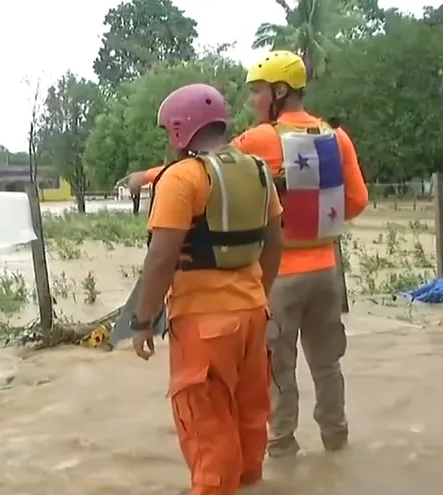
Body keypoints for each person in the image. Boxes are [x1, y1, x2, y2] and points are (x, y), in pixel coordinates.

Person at [131, 83, 283, 495]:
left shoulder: (182, 178)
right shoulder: (257, 170)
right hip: (254, 315)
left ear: (181, 129)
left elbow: (161, 259)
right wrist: (257, 297)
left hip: (204, 326)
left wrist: (142, 321)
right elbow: (274, 244)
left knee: (207, 433)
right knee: (251, 422)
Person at [231, 50, 369, 458]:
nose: (252, 101)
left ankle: (282, 447)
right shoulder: (336, 136)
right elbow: (358, 201)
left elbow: (206, 168)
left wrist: (146, 178)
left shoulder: (258, 140)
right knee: (328, 365)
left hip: (279, 276)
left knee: (277, 367)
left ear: (278, 91)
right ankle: (336, 441)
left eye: (256, 92)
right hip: (327, 270)